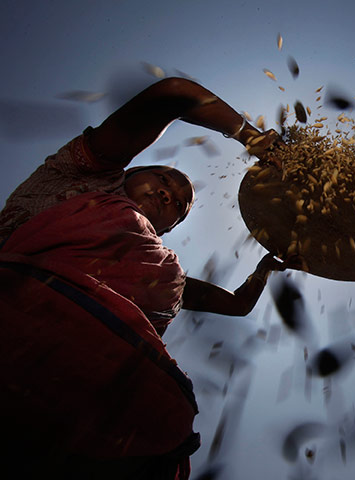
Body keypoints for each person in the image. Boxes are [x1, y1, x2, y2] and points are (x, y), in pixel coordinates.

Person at [0, 77, 295, 479]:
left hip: (97, 415)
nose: (169, 194)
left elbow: (236, 305)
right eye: (163, 179)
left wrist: (266, 267)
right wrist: (252, 137)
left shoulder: (162, 274)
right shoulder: (78, 178)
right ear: (129, 170)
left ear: (170, 228)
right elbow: (174, 94)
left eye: (179, 204)